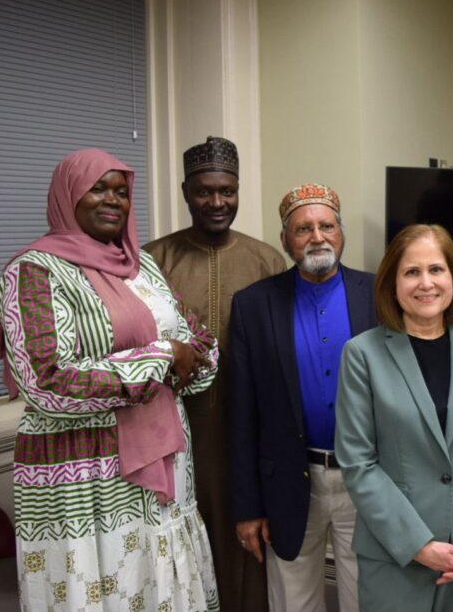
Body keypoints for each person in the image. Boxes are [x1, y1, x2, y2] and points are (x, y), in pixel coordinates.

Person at [0, 148, 220, 610]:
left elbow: (197, 342)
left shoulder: (142, 266)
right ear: (68, 195)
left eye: (121, 191)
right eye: (98, 188)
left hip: (167, 464)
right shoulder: (33, 271)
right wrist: (160, 357)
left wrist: (185, 358)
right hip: (84, 476)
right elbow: (47, 381)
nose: (113, 199)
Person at [335, 224, 453, 612]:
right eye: (411, 272)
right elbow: (358, 463)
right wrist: (419, 545)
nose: (426, 283)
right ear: (392, 281)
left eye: (436, 269)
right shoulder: (362, 354)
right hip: (396, 556)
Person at [145, 135, 285, 610]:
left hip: (247, 428)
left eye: (227, 190)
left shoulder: (267, 260)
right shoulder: (152, 260)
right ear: (185, 192)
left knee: (247, 536)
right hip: (174, 432)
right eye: (205, 191)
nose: (217, 201)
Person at [229, 182, 375, 612]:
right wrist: (247, 507)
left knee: (366, 598)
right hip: (290, 479)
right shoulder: (253, 305)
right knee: (294, 601)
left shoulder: (380, 294)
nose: (317, 237)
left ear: (341, 232)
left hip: (365, 478)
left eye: (327, 225)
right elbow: (242, 413)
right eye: (303, 228)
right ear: (284, 240)